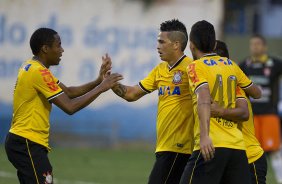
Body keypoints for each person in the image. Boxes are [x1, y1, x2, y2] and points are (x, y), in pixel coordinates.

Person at [4, 28, 123, 184]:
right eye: (58, 45)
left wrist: (98, 80)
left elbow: (68, 92)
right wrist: (102, 88)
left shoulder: (33, 67)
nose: (62, 50)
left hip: (23, 142)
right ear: (45, 49)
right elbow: (70, 107)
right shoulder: (39, 72)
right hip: (27, 143)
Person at [109, 19, 194, 184]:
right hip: (164, 145)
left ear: (176, 44)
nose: (158, 46)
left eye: (162, 42)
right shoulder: (160, 70)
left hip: (180, 146)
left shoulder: (191, 69)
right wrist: (110, 83)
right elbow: (132, 94)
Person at [180, 20, 261, 184]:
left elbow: (203, 97)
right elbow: (257, 93)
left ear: (191, 45)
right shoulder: (231, 65)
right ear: (214, 43)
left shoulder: (195, 66)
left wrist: (204, 136)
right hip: (237, 147)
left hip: (212, 144)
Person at [211, 40, 267, 184]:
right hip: (230, 157)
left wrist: (219, 111)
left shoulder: (236, 84)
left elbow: (245, 110)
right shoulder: (212, 85)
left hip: (250, 157)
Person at [240, 34, 282, 183]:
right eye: (252, 44)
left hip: (270, 114)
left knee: (275, 150)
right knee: (250, 150)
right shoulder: (244, 65)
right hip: (250, 117)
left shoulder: (275, 64)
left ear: (264, 47)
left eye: (258, 44)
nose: (255, 47)